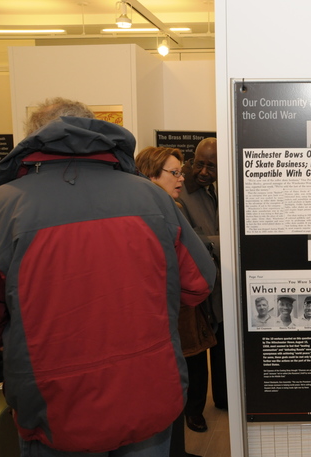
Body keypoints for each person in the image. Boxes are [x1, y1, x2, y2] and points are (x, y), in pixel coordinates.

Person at [0, 97, 216, 456]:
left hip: (56, 407)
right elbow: (199, 283)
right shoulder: (153, 198)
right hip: (147, 393)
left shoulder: (1, 207)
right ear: (96, 131)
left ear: (32, 138)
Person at [136, 146, 213, 457]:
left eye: (182, 171)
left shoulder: (158, 206)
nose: (182, 178)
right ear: (151, 174)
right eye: (175, 172)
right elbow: (198, 279)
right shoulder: (164, 210)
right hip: (167, 312)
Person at [175, 137, 227, 432]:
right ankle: (193, 410)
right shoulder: (181, 191)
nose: (204, 171)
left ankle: (223, 398)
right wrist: (228, 241)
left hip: (218, 279)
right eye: (199, 164)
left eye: (212, 166)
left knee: (221, 343)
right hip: (193, 282)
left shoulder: (218, 187)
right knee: (195, 348)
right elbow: (191, 239)